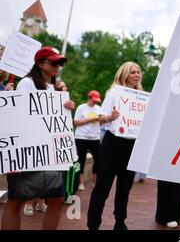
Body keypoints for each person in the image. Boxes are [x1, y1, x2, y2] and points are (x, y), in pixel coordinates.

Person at [1, 46, 74, 230]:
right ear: (40, 64)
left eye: (60, 62)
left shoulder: (56, 88)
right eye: (54, 62)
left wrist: (66, 107)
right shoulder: (27, 83)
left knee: (57, 199)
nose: (58, 66)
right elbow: (19, 117)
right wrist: (13, 158)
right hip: (28, 151)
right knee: (15, 201)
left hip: (51, 153)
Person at [87, 62, 143, 230]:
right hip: (113, 143)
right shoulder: (114, 93)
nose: (136, 75)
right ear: (124, 74)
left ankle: (120, 222)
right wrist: (110, 117)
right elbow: (101, 117)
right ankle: (93, 224)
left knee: (125, 188)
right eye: (132, 72)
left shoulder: (141, 96)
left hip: (131, 144)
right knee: (102, 188)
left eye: (138, 72)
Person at [74, 90, 102, 191]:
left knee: (98, 160)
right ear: (89, 98)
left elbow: (101, 122)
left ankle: (95, 181)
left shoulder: (99, 108)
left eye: (96, 100)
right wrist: (91, 119)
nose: (95, 102)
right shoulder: (81, 108)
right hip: (81, 137)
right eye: (94, 100)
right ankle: (80, 183)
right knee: (80, 160)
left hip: (95, 137)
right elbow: (76, 122)